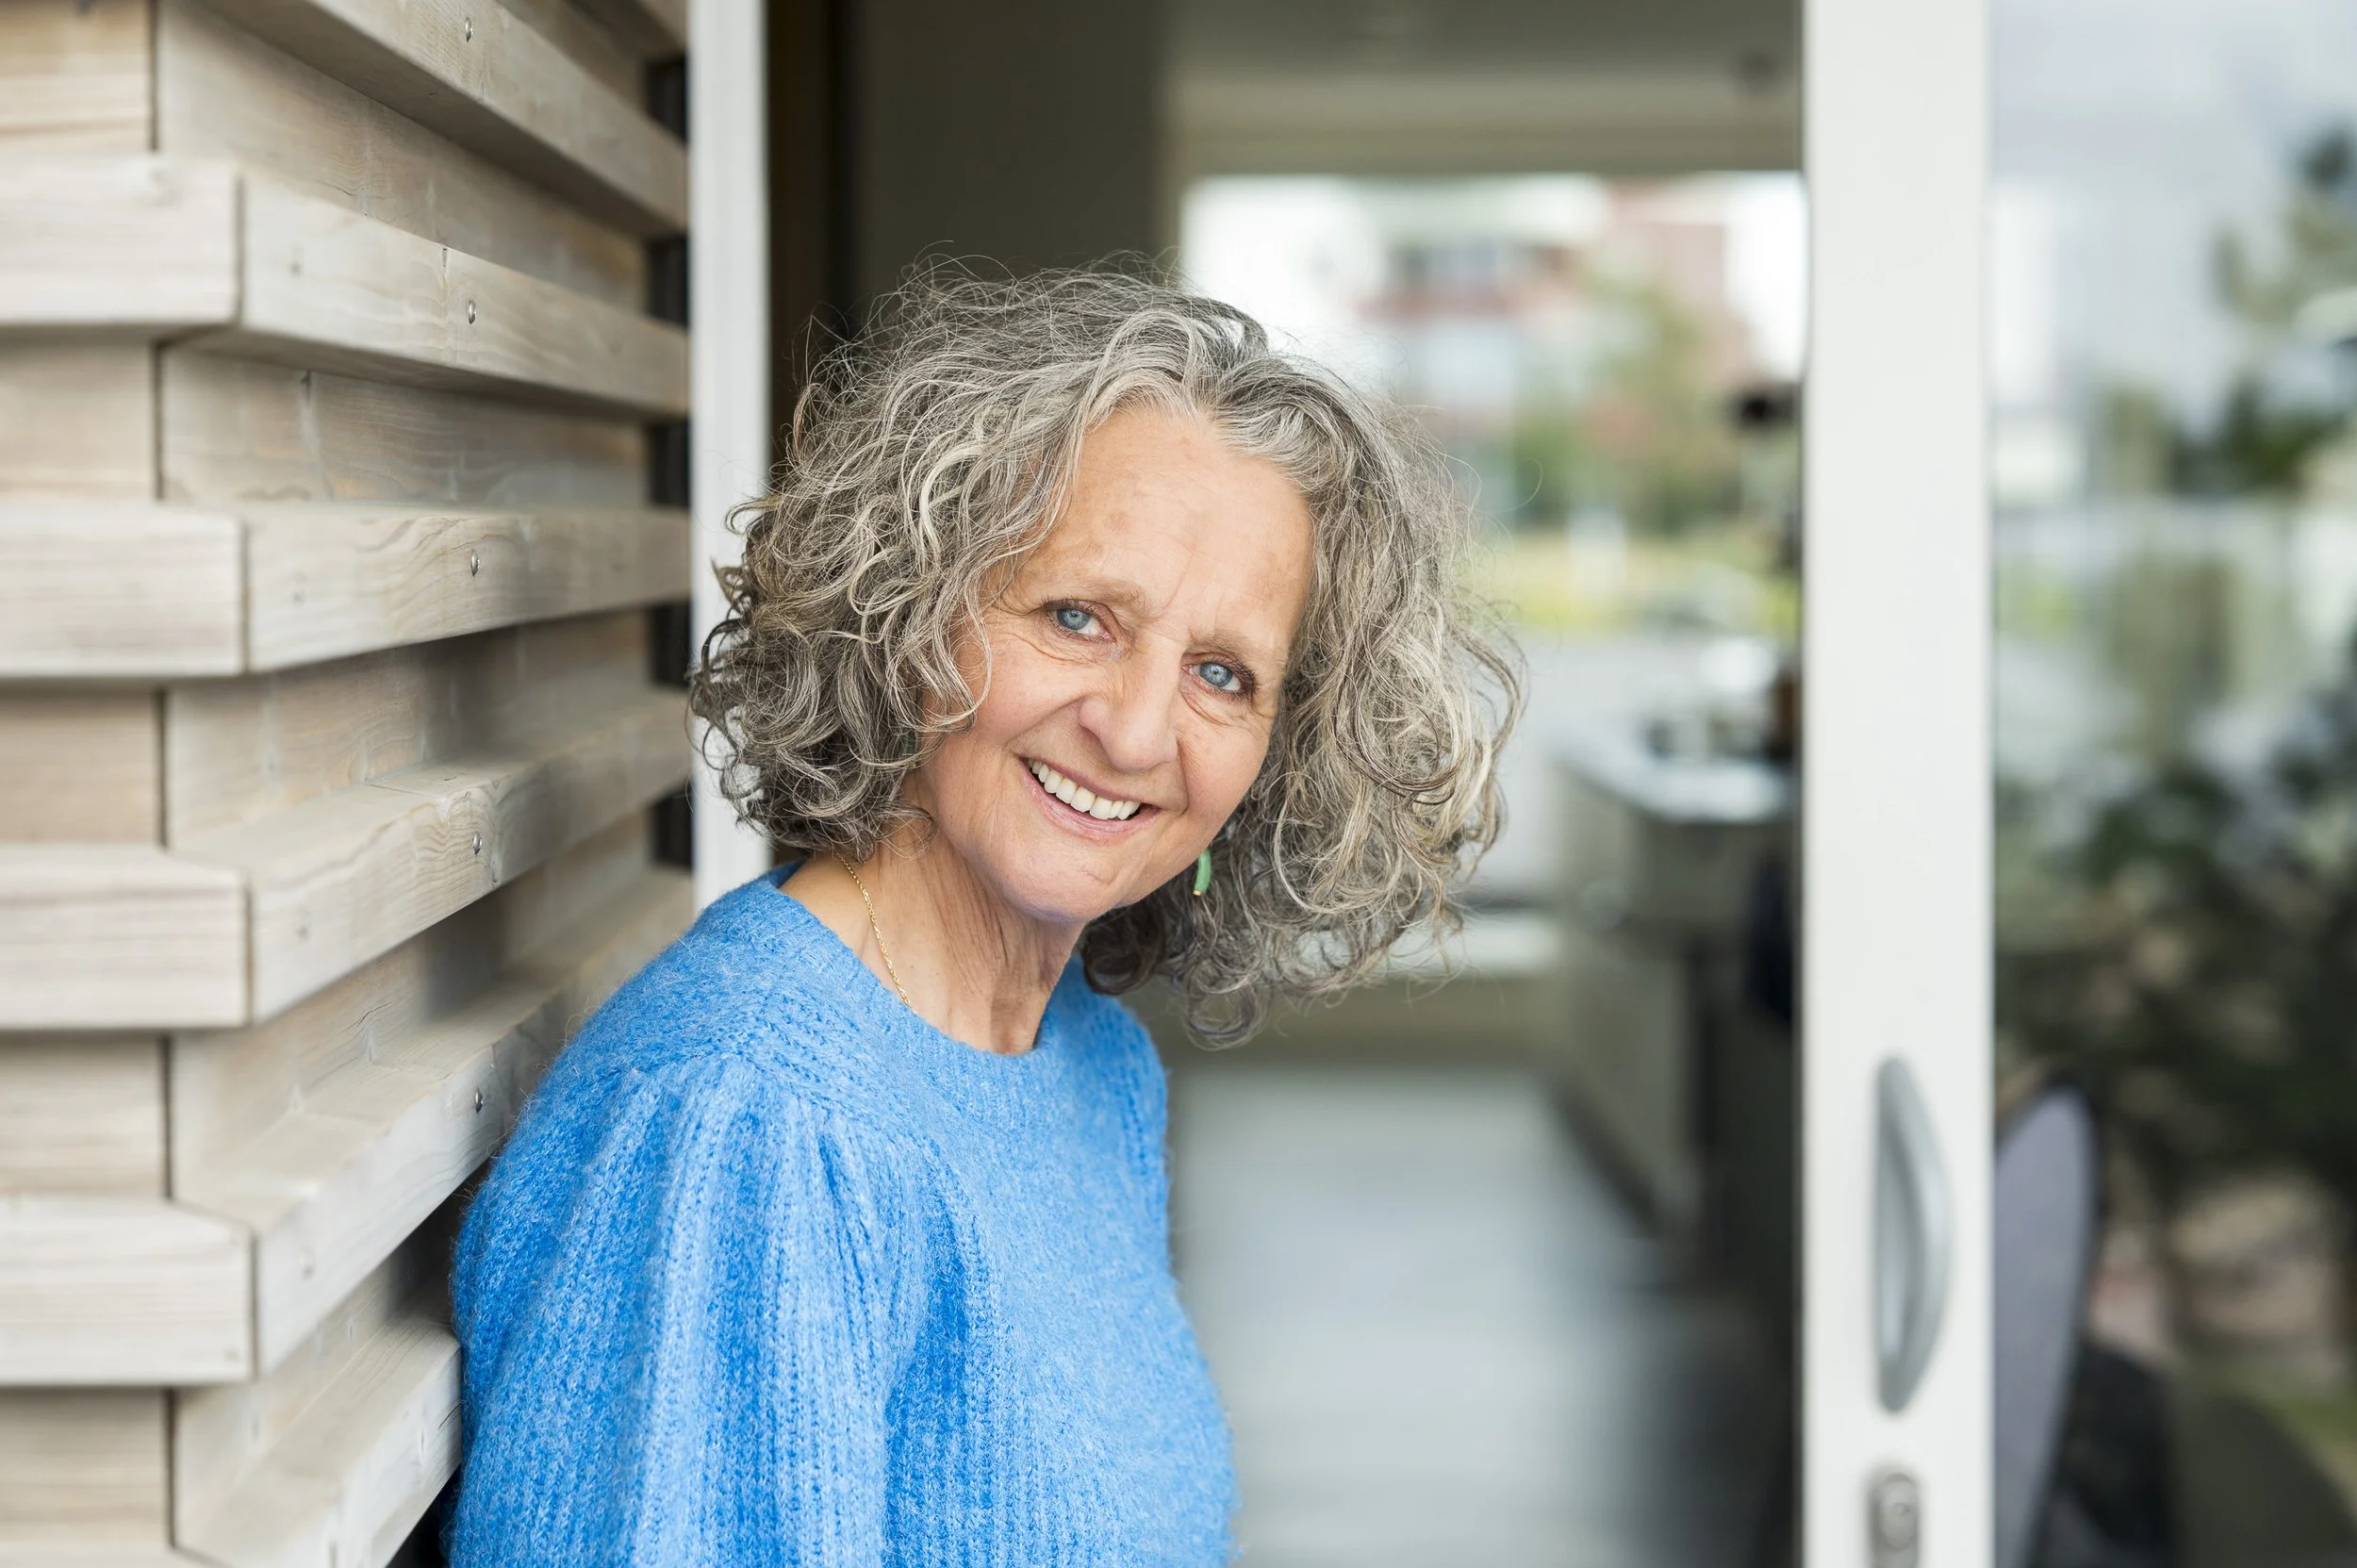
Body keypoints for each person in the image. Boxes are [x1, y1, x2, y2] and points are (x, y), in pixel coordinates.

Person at [445, 269, 1519, 1563]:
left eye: (1221, 674)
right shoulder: (756, 1123)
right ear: (910, 609)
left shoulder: (1085, 1061)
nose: (1133, 729)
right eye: (1078, 617)